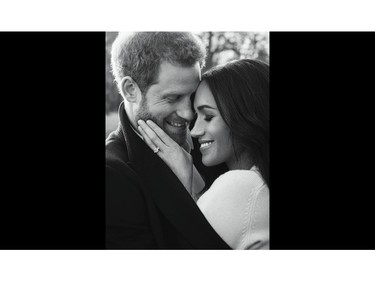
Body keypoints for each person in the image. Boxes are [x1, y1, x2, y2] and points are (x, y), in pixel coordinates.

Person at [105, 32, 230, 249]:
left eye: (191, 96)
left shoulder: (209, 137)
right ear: (131, 90)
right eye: (173, 98)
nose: (189, 114)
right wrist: (182, 193)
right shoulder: (113, 175)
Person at [138, 59, 269, 249]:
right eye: (196, 116)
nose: (194, 131)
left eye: (208, 117)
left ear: (247, 116)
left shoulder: (242, 186)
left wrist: (182, 184)